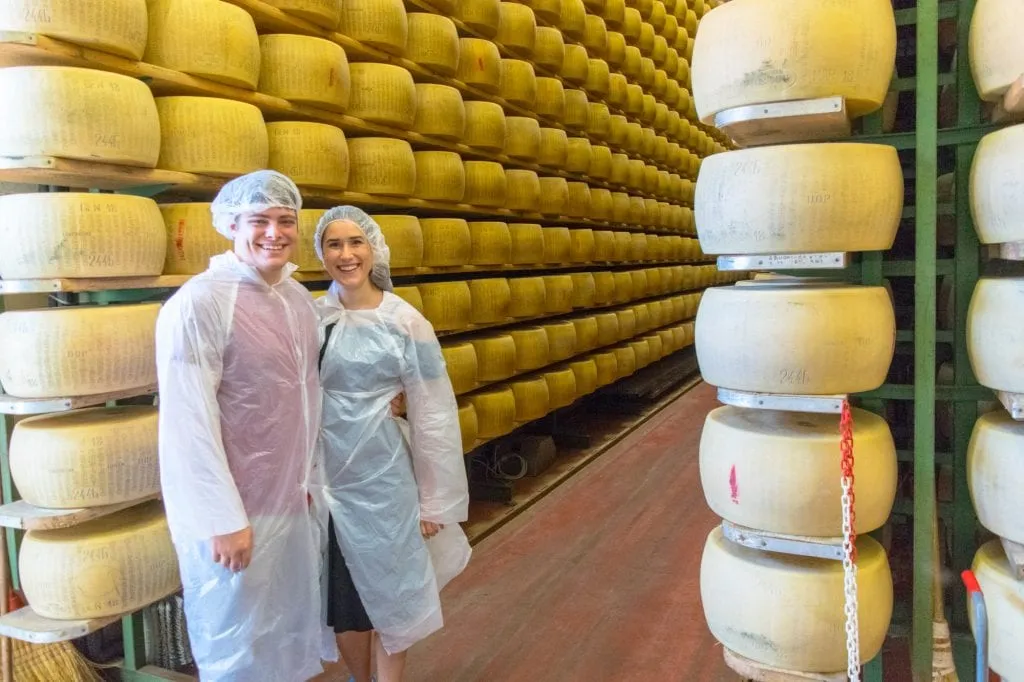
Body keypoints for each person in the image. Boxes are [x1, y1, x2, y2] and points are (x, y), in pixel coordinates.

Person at [155, 170, 329, 682]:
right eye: (259, 220)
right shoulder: (201, 302)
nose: (273, 233)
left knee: (288, 635)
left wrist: (311, 481)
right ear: (231, 224)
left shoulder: (298, 301)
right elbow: (188, 422)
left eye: (285, 220)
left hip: (291, 501)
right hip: (235, 515)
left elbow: (304, 402)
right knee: (238, 645)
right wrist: (220, 518)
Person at [313, 206, 472, 682]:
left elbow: (434, 415)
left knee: (394, 596)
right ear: (321, 254)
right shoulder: (311, 318)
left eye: (355, 242)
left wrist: (434, 501)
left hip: (387, 480)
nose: (346, 254)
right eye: (334, 244)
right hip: (330, 485)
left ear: (374, 249)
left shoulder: (406, 322)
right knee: (345, 606)